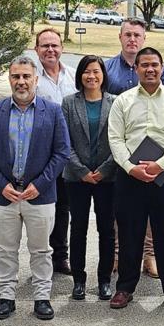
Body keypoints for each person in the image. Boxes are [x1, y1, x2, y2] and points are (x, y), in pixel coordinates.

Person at [0, 56, 70, 321]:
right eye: (16, 76)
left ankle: (42, 297)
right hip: (4, 195)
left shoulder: (52, 111)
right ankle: (6, 297)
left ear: (35, 79)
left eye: (26, 76)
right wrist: (1, 184)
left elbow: (61, 153)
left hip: (39, 196)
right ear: (10, 79)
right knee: (5, 249)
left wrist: (39, 185)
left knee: (41, 250)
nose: (21, 82)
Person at [107, 47, 164, 310]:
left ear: (162, 67)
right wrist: (131, 168)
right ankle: (125, 288)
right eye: (144, 65)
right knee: (130, 232)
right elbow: (115, 138)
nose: (150, 69)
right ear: (136, 69)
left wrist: (160, 165)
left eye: (155, 64)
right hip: (130, 176)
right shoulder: (123, 101)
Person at [104, 18, 164, 278]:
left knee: (152, 207)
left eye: (137, 35)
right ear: (120, 37)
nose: (132, 39)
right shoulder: (108, 69)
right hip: (120, 146)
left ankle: (149, 256)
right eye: (128, 34)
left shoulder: (157, 68)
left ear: (144, 39)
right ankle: (119, 254)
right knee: (120, 207)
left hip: (154, 148)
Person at [62, 55, 117, 301]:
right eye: (86, 71)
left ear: (103, 75)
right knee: (78, 229)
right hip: (77, 177)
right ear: (80, 75)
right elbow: (64, 142)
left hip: (108, 177)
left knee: (106, 229)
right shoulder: (68, 103)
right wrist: (81, 171)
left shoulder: (115, 103)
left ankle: (105, 280)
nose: (91, 76)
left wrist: (104, 170)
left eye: (96, 71)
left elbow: (120, 141)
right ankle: (79, 280)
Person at [34, 28, 77, 276]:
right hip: (44, 154)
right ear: (37, 49)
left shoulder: (72, 76)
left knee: (64, 207)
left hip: (71, 153)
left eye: (54, 45)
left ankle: (61, 257)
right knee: (43, 208)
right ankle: (42, 256)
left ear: (62, 48)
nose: (50, 49)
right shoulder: (33, 77)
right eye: (45, 45)